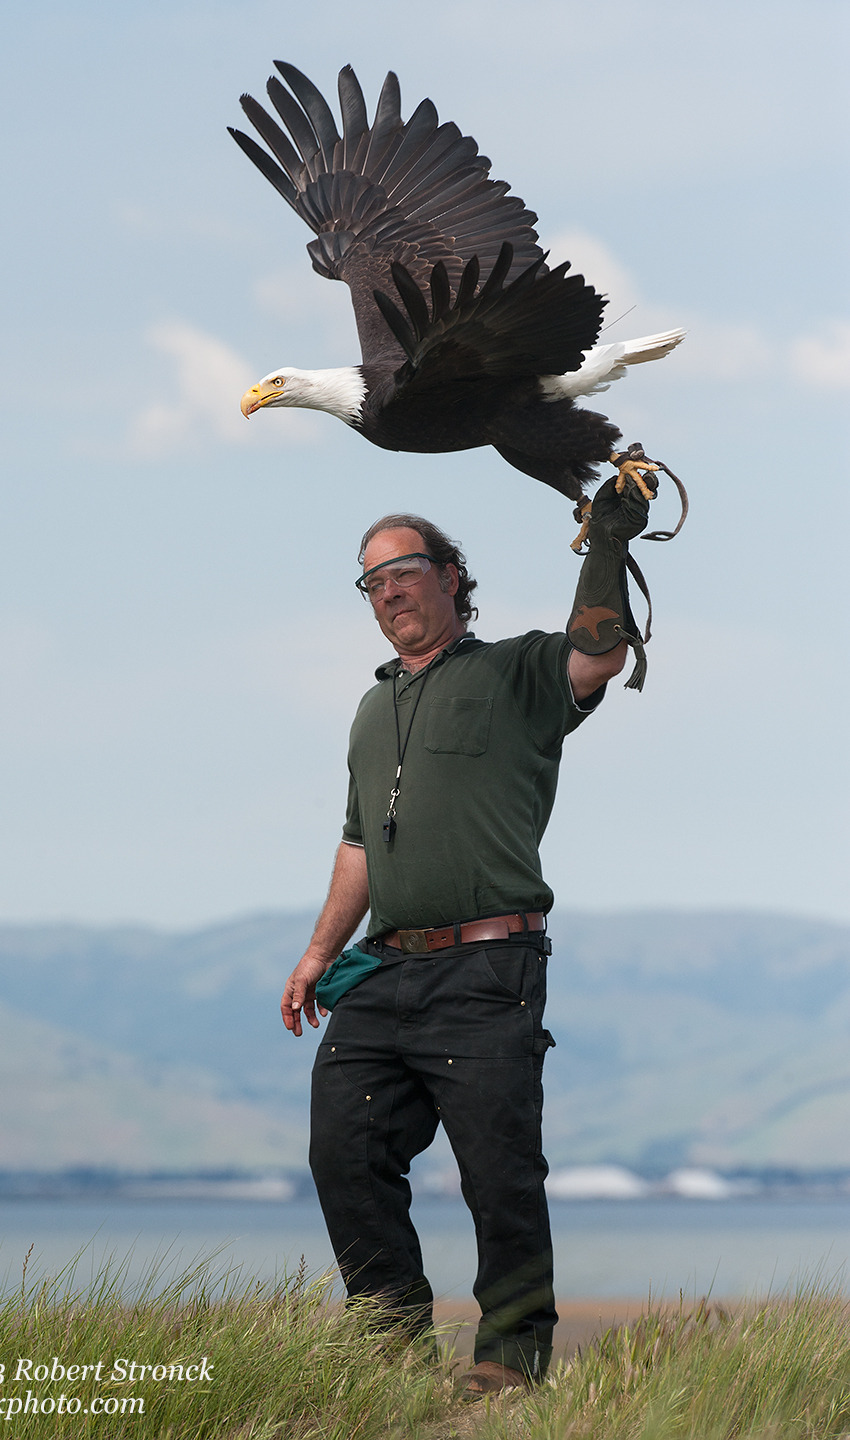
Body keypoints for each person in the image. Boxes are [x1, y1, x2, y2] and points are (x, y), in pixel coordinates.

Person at [280, 477, 650, 1397]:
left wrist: (605, 541)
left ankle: (510, 1362)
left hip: (490, 968)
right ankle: (391, 1349)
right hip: (383, 972)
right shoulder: (371, 711)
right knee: (343, 1150)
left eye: (406, 570)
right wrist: (321, 952)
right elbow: (361, 842)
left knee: (498, 1171)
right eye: (372, 582)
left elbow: (598, 653)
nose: (390, 591)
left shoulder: (515, 673)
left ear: (451, 577)